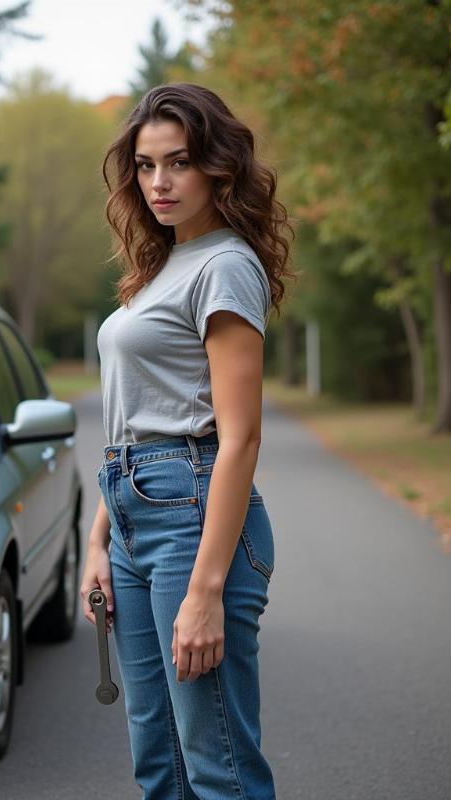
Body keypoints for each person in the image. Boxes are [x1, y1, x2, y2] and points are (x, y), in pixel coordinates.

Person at [80, 83, 296, 800]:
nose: (160, 183)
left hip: (193, 521)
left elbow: (239, 437)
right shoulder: (157, 268)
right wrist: (99, 539)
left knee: (217, 763)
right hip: (135, 508)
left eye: (178, 163)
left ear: (217, 168)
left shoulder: (224, 265)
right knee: (159, 762)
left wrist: (205, 589)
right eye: (145, 166)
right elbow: (131, 418)